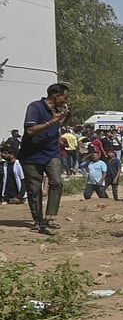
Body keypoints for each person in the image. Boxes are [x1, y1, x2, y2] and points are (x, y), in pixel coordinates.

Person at [20, 83, 71, 234]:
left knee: (56, 182)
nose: (65, 100)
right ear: (56, 95)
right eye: (64, 97)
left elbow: (57, 127)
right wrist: (52, 121)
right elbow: (30, 130)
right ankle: (37, 221)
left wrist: (65, 117)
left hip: (52, 153)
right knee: (34, 189)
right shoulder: (35, 107)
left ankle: (50, 216)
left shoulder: (55, 111)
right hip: (32, 155)